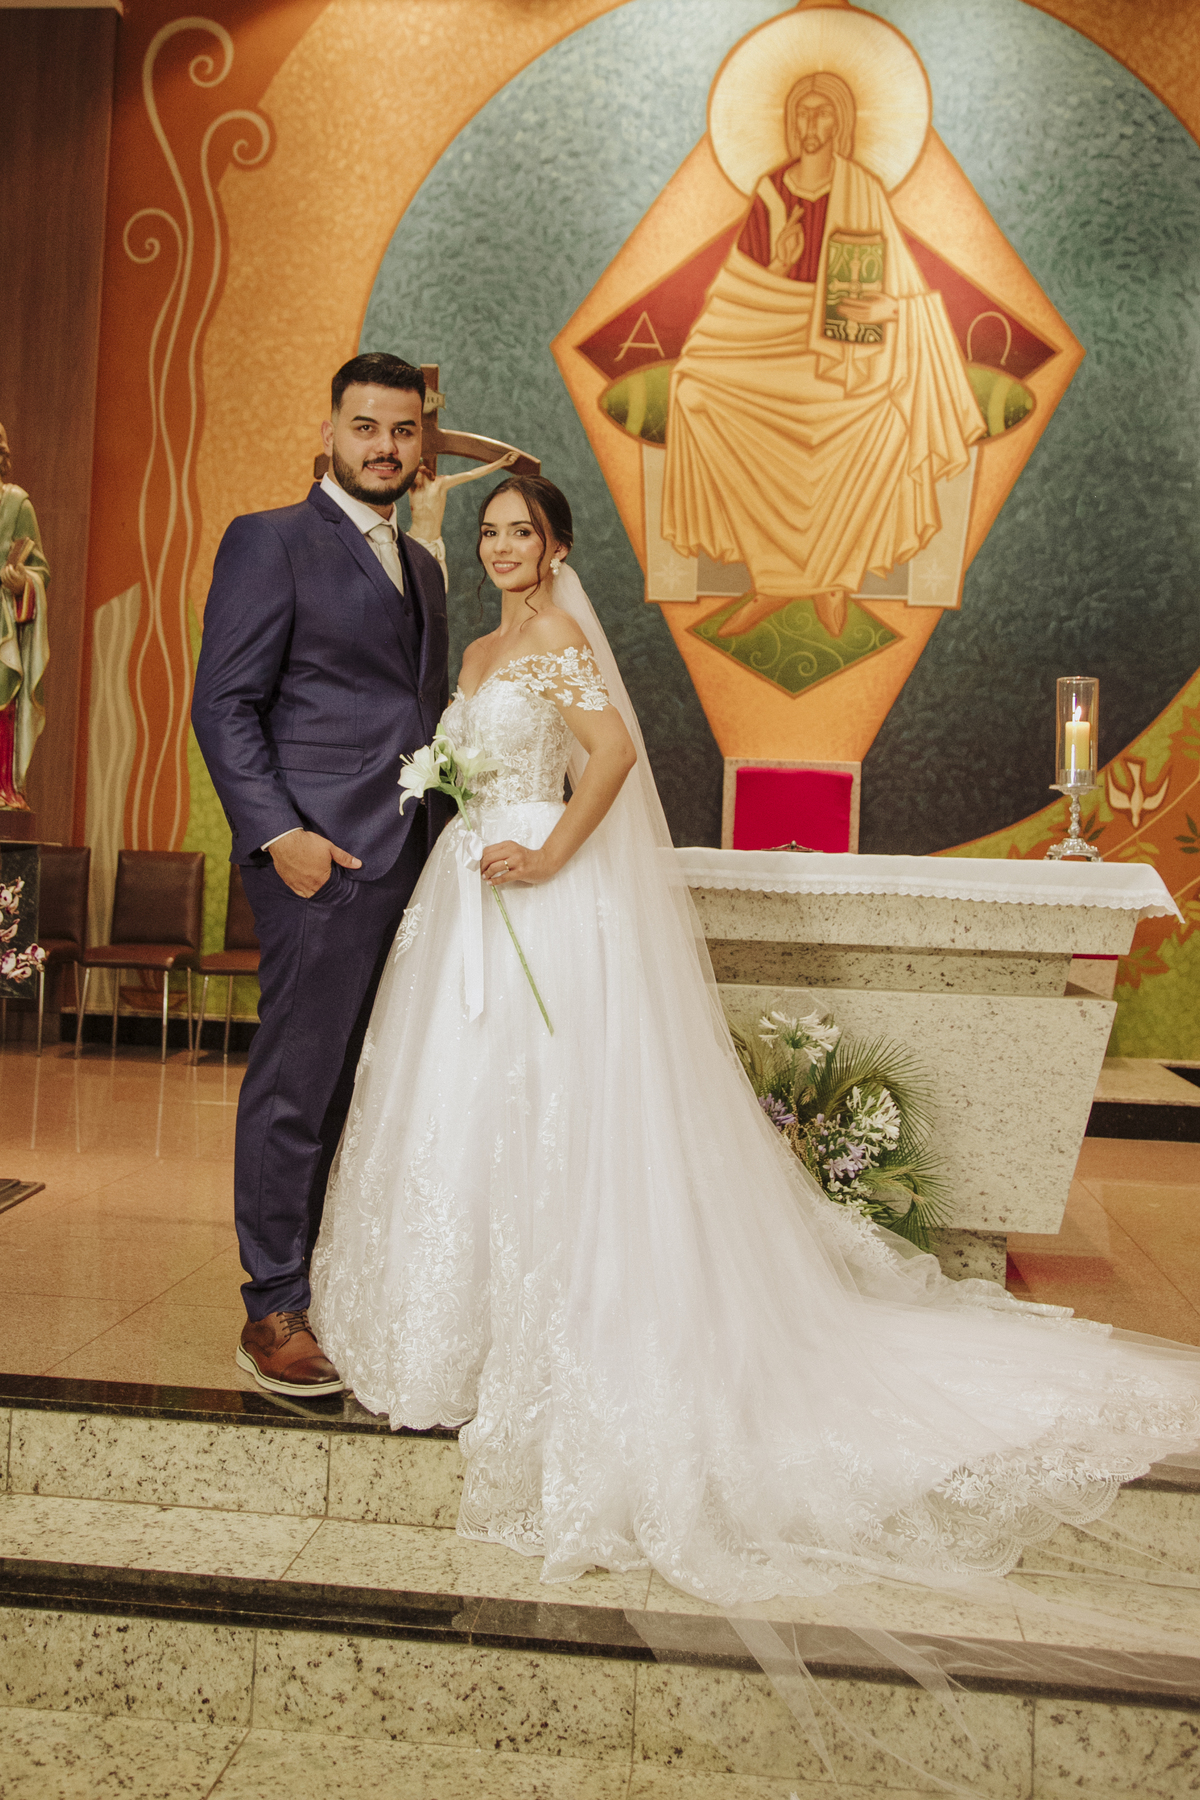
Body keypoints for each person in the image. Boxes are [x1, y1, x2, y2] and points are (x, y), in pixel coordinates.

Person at [310, 472, 1200, 1609]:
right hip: (468, 894)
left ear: (557, 547)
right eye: (490, 533)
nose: (502, 548)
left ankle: (565, 1335)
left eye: (521, 533)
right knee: (462, 1103)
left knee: (552, 1105)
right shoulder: (483, 649)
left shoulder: (558, 641)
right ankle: (463, 1331)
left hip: (539, 890)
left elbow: (612, 756)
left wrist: (548, 852)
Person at [192, 352, 456, 1396]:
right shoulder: (270, 540)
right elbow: (225, 703)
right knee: (297, 1085)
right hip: (320, 862)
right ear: (331, 431)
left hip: (414, 863)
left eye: (402, 430)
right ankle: (272, 1308)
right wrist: (280, 836)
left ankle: (332, 1281)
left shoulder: (423, 565)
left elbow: (415, 712)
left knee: (367, 1084)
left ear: (421, 441)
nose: (384, 447)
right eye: (365, 427)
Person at [662, 72, 983, 641]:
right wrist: (781, 265)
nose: (812, 124)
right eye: (803, 113)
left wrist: (888, 310)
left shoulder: (864, 191)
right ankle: (773, 579)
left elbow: (900, 291)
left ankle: (833, 578)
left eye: (823, 112)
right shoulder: (769, 192)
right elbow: (740, 293)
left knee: (889, 421)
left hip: (843, 363)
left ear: (842, 121)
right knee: (693, 392)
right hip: (769, 346)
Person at [0, 422, 50, 811]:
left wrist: (22, 583)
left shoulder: (16, 505)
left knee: (3, 694)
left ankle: (4, 786)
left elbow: (39, 571)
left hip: (1, 624)